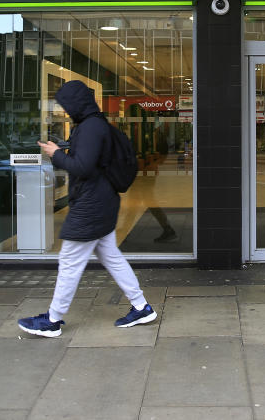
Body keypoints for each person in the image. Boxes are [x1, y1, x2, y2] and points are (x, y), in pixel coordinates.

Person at [17, 80, 156, 337]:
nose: (66, 110)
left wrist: (57, 153)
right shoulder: (93, 124)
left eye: (67, 105)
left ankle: (53, 319)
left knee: (69, 260)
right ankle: (141, 306)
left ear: (77, 103)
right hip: (99, 201)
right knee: (110, 256)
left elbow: (83, 167)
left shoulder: (91, 127)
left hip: (92, 204)